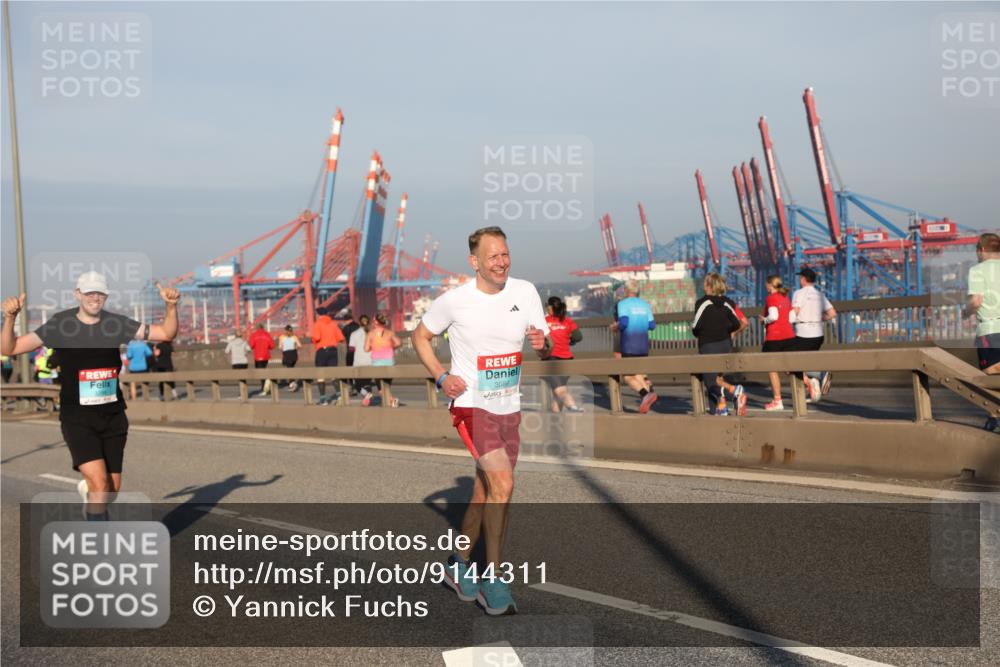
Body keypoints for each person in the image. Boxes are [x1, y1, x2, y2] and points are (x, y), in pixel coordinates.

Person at [412, 226, 551, 616]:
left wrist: (546, 343)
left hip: (509, 406)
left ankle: (457, 566)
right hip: (472, 405)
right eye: (493, 256)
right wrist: (441, 376)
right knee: (504, 483)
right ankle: (493, 579)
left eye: (505, 254)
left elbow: (546, 341)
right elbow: (419, 337)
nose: (501, 261)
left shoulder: (524, 292)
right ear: (475, 262)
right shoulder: (455, 301)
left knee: (484, 492)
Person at [1, 272, 180, 520]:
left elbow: (165, 334)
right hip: (77, 417)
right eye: (89, 293)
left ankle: (91, 493)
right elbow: (9, 348)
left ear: (105, 296)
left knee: (111, 490)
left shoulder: (116, 323)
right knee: (100, 484)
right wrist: (10, 318)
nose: (94, 298)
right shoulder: (60, 324)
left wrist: (171, 307)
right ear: (78, 294)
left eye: (99, 293)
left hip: (113, 415)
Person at [692, 273, 745, 415]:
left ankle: (735, 392)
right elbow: (736, 323)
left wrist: (699, 333)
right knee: (717, 378)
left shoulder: (702, 302)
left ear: (709, 286)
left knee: (710, 382)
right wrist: (726, 331)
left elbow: (695, 326)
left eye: (704, 283)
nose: (703, 285)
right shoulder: (727, 302)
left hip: (709, 345)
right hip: (725, 344)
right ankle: (721, 407)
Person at [964, 232, 1000, 431]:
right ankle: (993, 416)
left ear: (983, 249)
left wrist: (965, 311)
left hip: (991, 329)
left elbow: (976, 302)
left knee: (991, 373)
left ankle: (995, 416)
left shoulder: (977, 270)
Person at [791, 267, 837, 401]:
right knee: (808, 361)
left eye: (800, 278)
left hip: (803, 333)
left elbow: (795, 312)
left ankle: (819, 376)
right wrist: (819, 318)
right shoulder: (819, 294)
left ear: (804, 280)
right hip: (818, 334)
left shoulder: (798, 293)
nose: (800, 280)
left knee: (791, 363)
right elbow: (832, 313)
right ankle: (814, 391)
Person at [615, 281, 658, 414]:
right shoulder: (645, 304)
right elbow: (652, 325)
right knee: (639, 374)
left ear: (627, 290)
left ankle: (645, 394)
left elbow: (623, 323)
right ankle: (646, 402)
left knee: (627, 376)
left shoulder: (622, 304)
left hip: (629, 344)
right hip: (643, 345)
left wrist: (614, 327)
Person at [759, 275, 797, 411]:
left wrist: (764, 320)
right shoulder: (786, 298)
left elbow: (773, 316)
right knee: (790, 368)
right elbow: (792, 318)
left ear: (770, 285)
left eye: (766, 285)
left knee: (772, 368)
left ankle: (777, 401)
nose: (765, 287)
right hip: (790, 335)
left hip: (774, 337)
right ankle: (810, 382)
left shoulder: (771, 298)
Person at [543, 296, 584, 413]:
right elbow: (578, 337)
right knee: (558, 392)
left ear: (550, 307)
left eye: (547, 306)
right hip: (567, 360)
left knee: (559, 390)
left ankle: (573, 407)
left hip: (551, 360)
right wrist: (570, 341)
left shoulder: (545, 321)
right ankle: (555, 421)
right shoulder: (568, 321)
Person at [363, 313, 402, 407]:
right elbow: (398, 343)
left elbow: (366, 349)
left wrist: (375, 347)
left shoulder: (371, 334)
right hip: (389, 361)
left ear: (376, 322)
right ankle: (390, 401)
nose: (372, 322)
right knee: (387, 384)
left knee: (380, 387)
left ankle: (392, 400)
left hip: (377, 362)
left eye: (373, 320)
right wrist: (389, 347)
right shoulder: (389, 333)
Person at [311, 306, 346, 404]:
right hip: (333, 350)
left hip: (322, 350)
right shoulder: (333, 324)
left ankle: (323, 399)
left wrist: (313, 340)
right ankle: (339, 396)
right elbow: (341, 338)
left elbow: (316, 338)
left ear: (318, 314)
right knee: (333, 374)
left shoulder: (318, 324)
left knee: (320, 375)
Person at [348, 314, 372, 398]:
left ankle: (367, 396)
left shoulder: (354, 334)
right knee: (367, 383)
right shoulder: (372, 333)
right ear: (369, 322)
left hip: (358, 362)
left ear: (359, 322)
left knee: (357, 384)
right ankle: (368, 399)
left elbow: (351, 350)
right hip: (371, 361)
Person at [248, 324, 274, 395]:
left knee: (260, 372)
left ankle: (264, 387)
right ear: (263, 327)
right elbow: (272, 346)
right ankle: (265, 385)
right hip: (266, 356)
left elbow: (251, 345)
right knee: (263, 369)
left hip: (258, 356)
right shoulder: (267, 334)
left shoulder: (254, 335)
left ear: (257, 328)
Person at [278, 325, 302, 391]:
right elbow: (300, 345)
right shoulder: (294, 337)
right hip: (294, 354)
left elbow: (280, 347)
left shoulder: (282, 337)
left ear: (285, 330)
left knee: (289, 369)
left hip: (286, 354)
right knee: (291, 368)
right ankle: (292, 383)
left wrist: (284, 347)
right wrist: (294, 347)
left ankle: (292, 384)